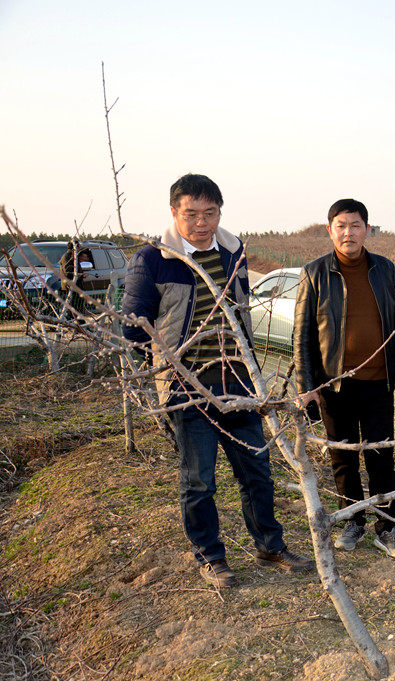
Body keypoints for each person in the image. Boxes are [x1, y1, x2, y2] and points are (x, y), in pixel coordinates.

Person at [121, 173, 313, 588]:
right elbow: (134, 328)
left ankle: (270, 545)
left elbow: (241, 311)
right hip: (186, 386)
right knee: (199, 480)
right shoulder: (153, 259)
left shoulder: (233, 252)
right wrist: (167, 368)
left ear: (220, 213)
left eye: (210, 213)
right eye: (191, 214)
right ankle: (211, 557)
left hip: (238, 381)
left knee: (256, 471)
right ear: (174, 212)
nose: (201, 223)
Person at [293, 198, 395, 560]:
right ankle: (352, 520)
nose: (349, 233)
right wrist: (306, 386)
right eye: (341, 226)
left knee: (381, 458)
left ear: (367, 230)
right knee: (342, 459)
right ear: (330, 230)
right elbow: (303, 335)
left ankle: (387, 528)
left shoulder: (384, 269)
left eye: (356, 225)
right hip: (335, 385)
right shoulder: (315, 273)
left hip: (378, 382)